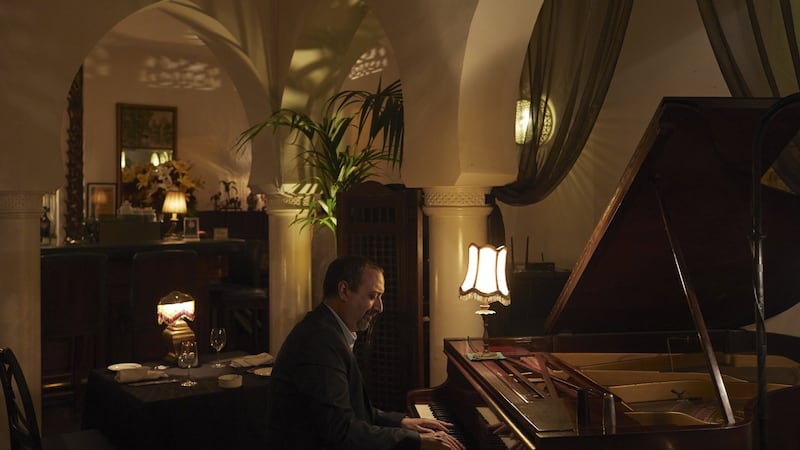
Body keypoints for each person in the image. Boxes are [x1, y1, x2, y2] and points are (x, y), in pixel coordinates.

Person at [267, 255, 465, 450]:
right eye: (372, 296)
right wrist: (416, 441)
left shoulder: (326, 329)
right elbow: (341, 431)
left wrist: (402, 422)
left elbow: (353, 412)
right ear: (344, 291)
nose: (380, 307)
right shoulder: (320, 342)